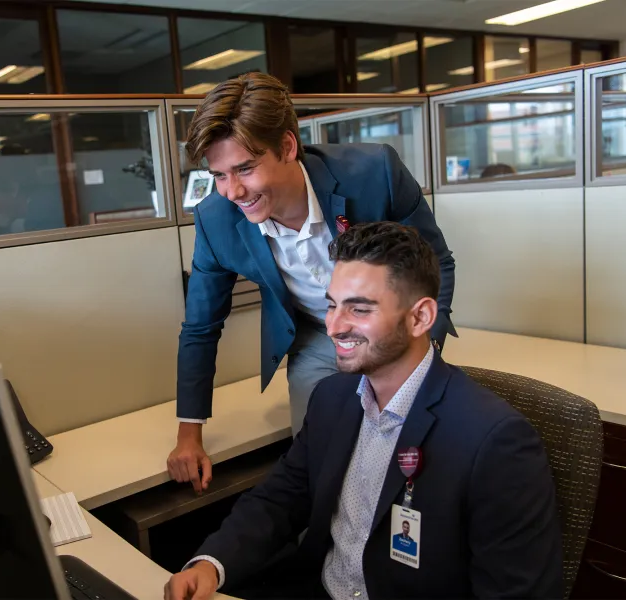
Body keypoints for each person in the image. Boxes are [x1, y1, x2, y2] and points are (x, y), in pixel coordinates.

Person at [164, 223, 562, 600]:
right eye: (332, 305)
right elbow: (280, 499)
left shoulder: (494, 441)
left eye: (359, 310)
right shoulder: (332, 398)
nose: (334, 327)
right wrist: (211, 565)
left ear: (420, 317)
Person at [168, 72, 456, 493]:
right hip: (316, 336)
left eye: (245, 169)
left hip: (392, 326)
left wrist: (423, 347)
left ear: (287, 146)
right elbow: (200, 325)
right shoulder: (216, 219)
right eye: (219, 175)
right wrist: (188, 435)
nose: (232, 191)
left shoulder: (373, 173)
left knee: (416, 454)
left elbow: (437, 261)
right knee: (318, 462)